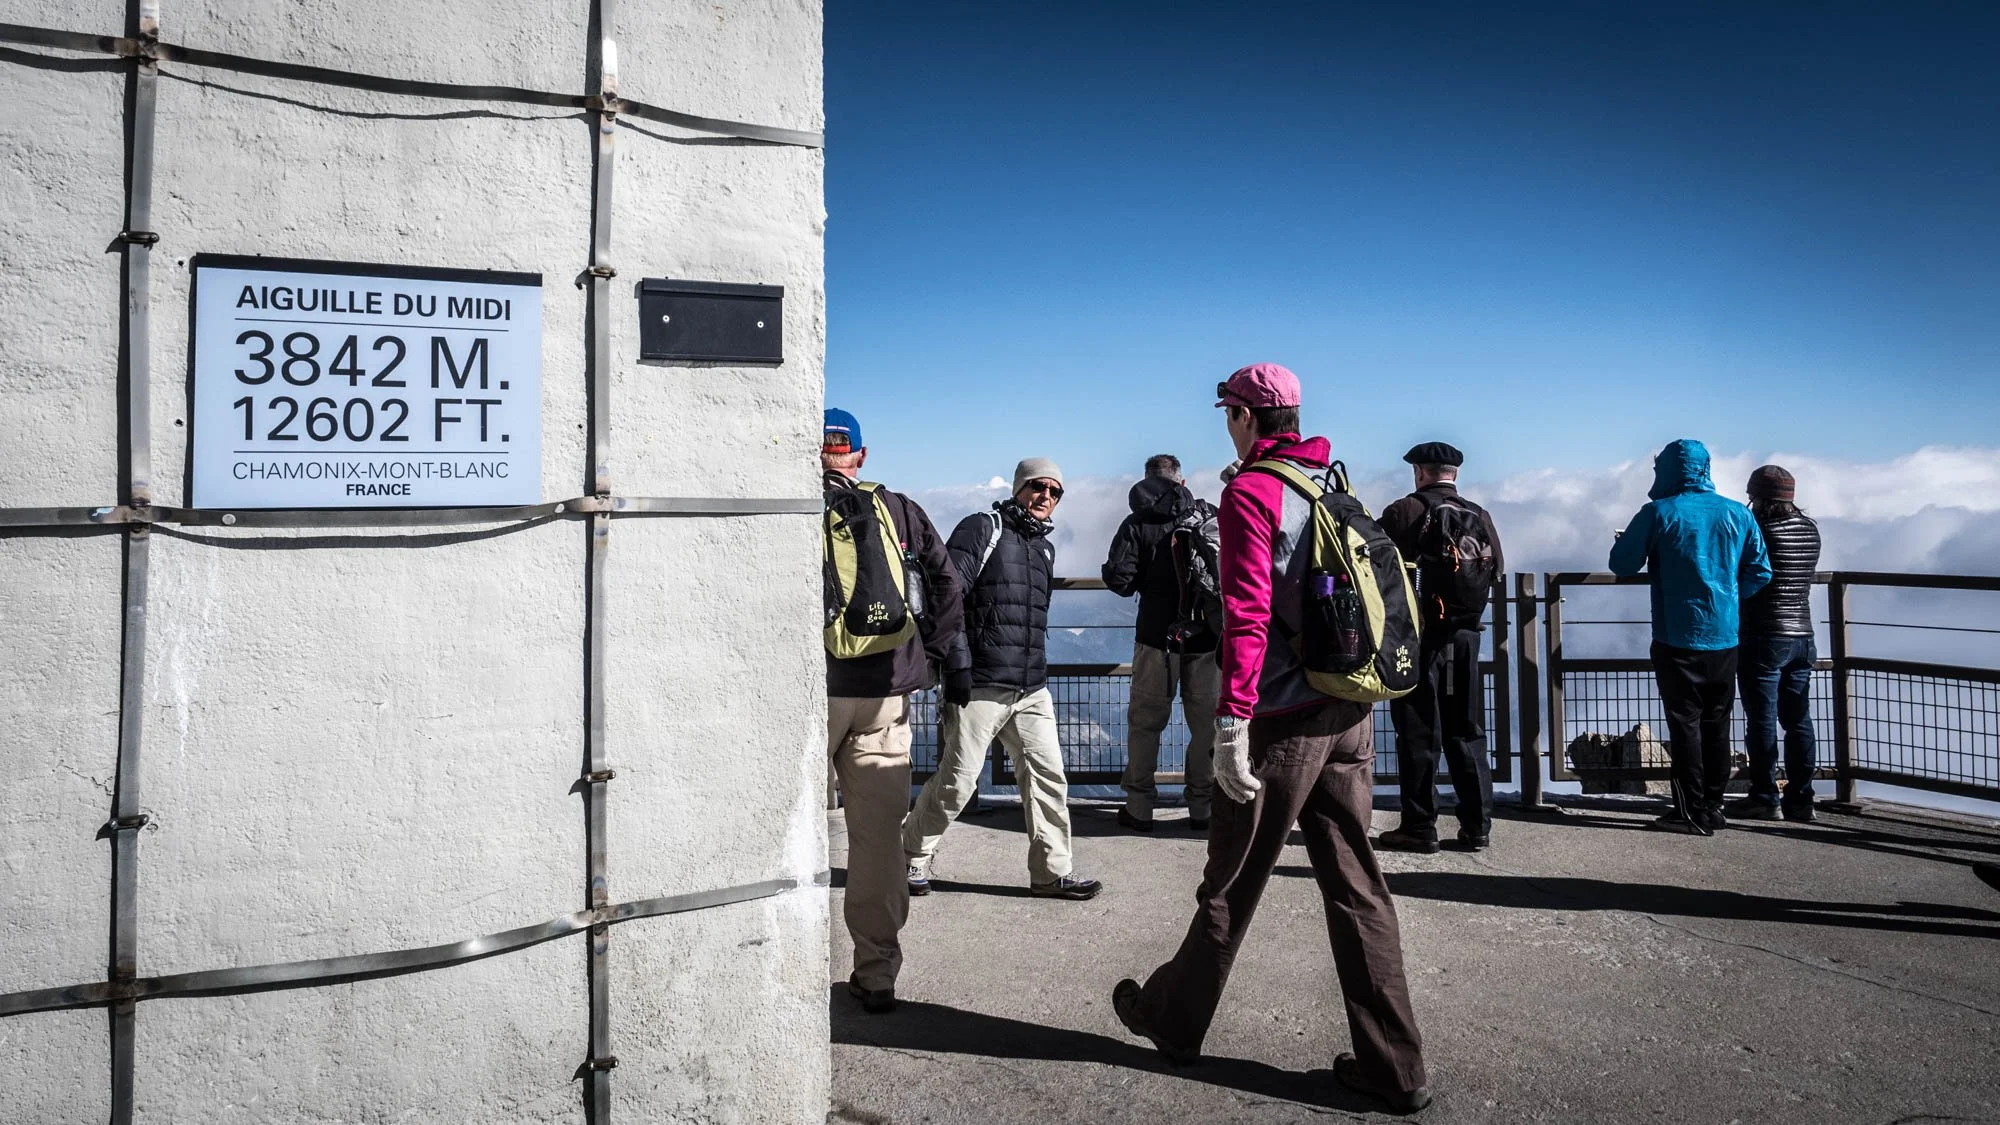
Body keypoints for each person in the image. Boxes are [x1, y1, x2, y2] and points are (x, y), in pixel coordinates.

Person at [1113, 364, 1430, 1116]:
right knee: (1357, 883)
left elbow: (1248, 614)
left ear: (1247, 418)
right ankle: (1396, 1066)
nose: (1228, 422)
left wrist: (1231, 720)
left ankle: (1173, 1019)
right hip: (1350, 709)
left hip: (1284, 720)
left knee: (1232, 876)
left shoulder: (1251, 491)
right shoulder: (1328, 482)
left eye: (1230, 412)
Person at [900, 458, 1102, 900]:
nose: (1046, 496)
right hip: (980, 683)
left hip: (1031, 686)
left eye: (1055, 491)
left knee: (1049, 777)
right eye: (1037, 487)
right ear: (1018, 488)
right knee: (958, 782)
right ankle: (911, 853)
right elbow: (947, 595)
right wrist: (956, 666)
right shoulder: (983, 528)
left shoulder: (1043, 548)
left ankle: (1052, 872)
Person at [820, 409, 965, 1014]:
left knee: (787, 829)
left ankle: (778, 964)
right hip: (886, 692)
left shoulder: (786, 506)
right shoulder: (898, 508)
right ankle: (876, 971)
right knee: (877, 842)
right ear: (860, 454)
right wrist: (924, 653)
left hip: (813, 692)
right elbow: (948, 584)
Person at [1610, 439, 1772, 836]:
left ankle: (1691, 810)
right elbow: (1760, 571)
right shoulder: (1737, 513)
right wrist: (1729, 598)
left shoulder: (1658, 512)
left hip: (1675, 636)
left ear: (1666, 470)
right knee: (1718, 723)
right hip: (1725, 636)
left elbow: (1623, 564)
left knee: (1684, 725)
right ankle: (1714, 805)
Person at [1375, 442, 1505, 854]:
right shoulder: (1478, 515)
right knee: (1467, 731)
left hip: (1416, 638)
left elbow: (1374, 565)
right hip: (1467, 636)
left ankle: (1419, 826)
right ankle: (1477, 826)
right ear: (1454, 474)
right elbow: (1496, 568)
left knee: (1418, 732)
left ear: (1419, 472)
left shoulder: (1403, 513)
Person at [1102, 453, 1220, 832]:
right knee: (1206, 726)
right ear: (1181, 482)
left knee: (1146, 724)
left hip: (1156, 638)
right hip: (1206, 639)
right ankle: (1203, 807)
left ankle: (1139, 807)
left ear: (1147, 481)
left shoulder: (1137, 522)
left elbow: (1120, 581)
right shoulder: (1206, 516)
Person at [1728, 465, 1823, 823]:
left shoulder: (1758, 530)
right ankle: (1802, 799)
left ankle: (1766, 796)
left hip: (1763, 635)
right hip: (1803, 635)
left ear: (1757, 495)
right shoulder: (1810, 530)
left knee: (1762, 719)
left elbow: (1739, 571)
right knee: (1798, 719)